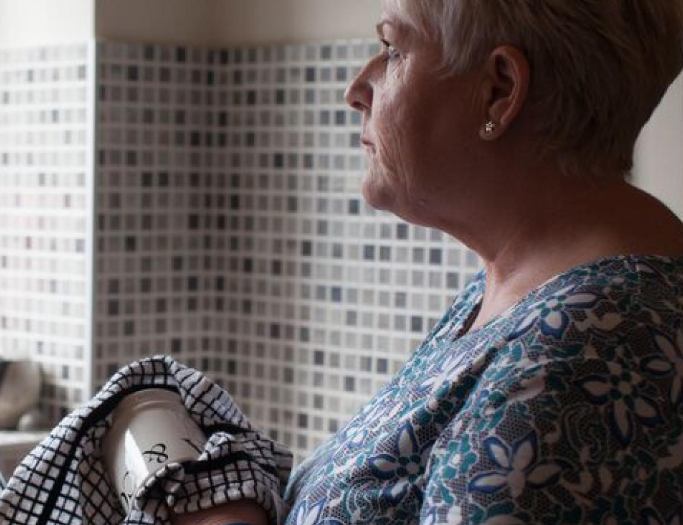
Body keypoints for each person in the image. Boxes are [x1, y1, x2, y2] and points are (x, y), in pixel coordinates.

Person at [173, 0, 683, 524]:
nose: (356, 89)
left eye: (392, 50)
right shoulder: (521, 295)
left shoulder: (575, 356)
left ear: (499, 90)